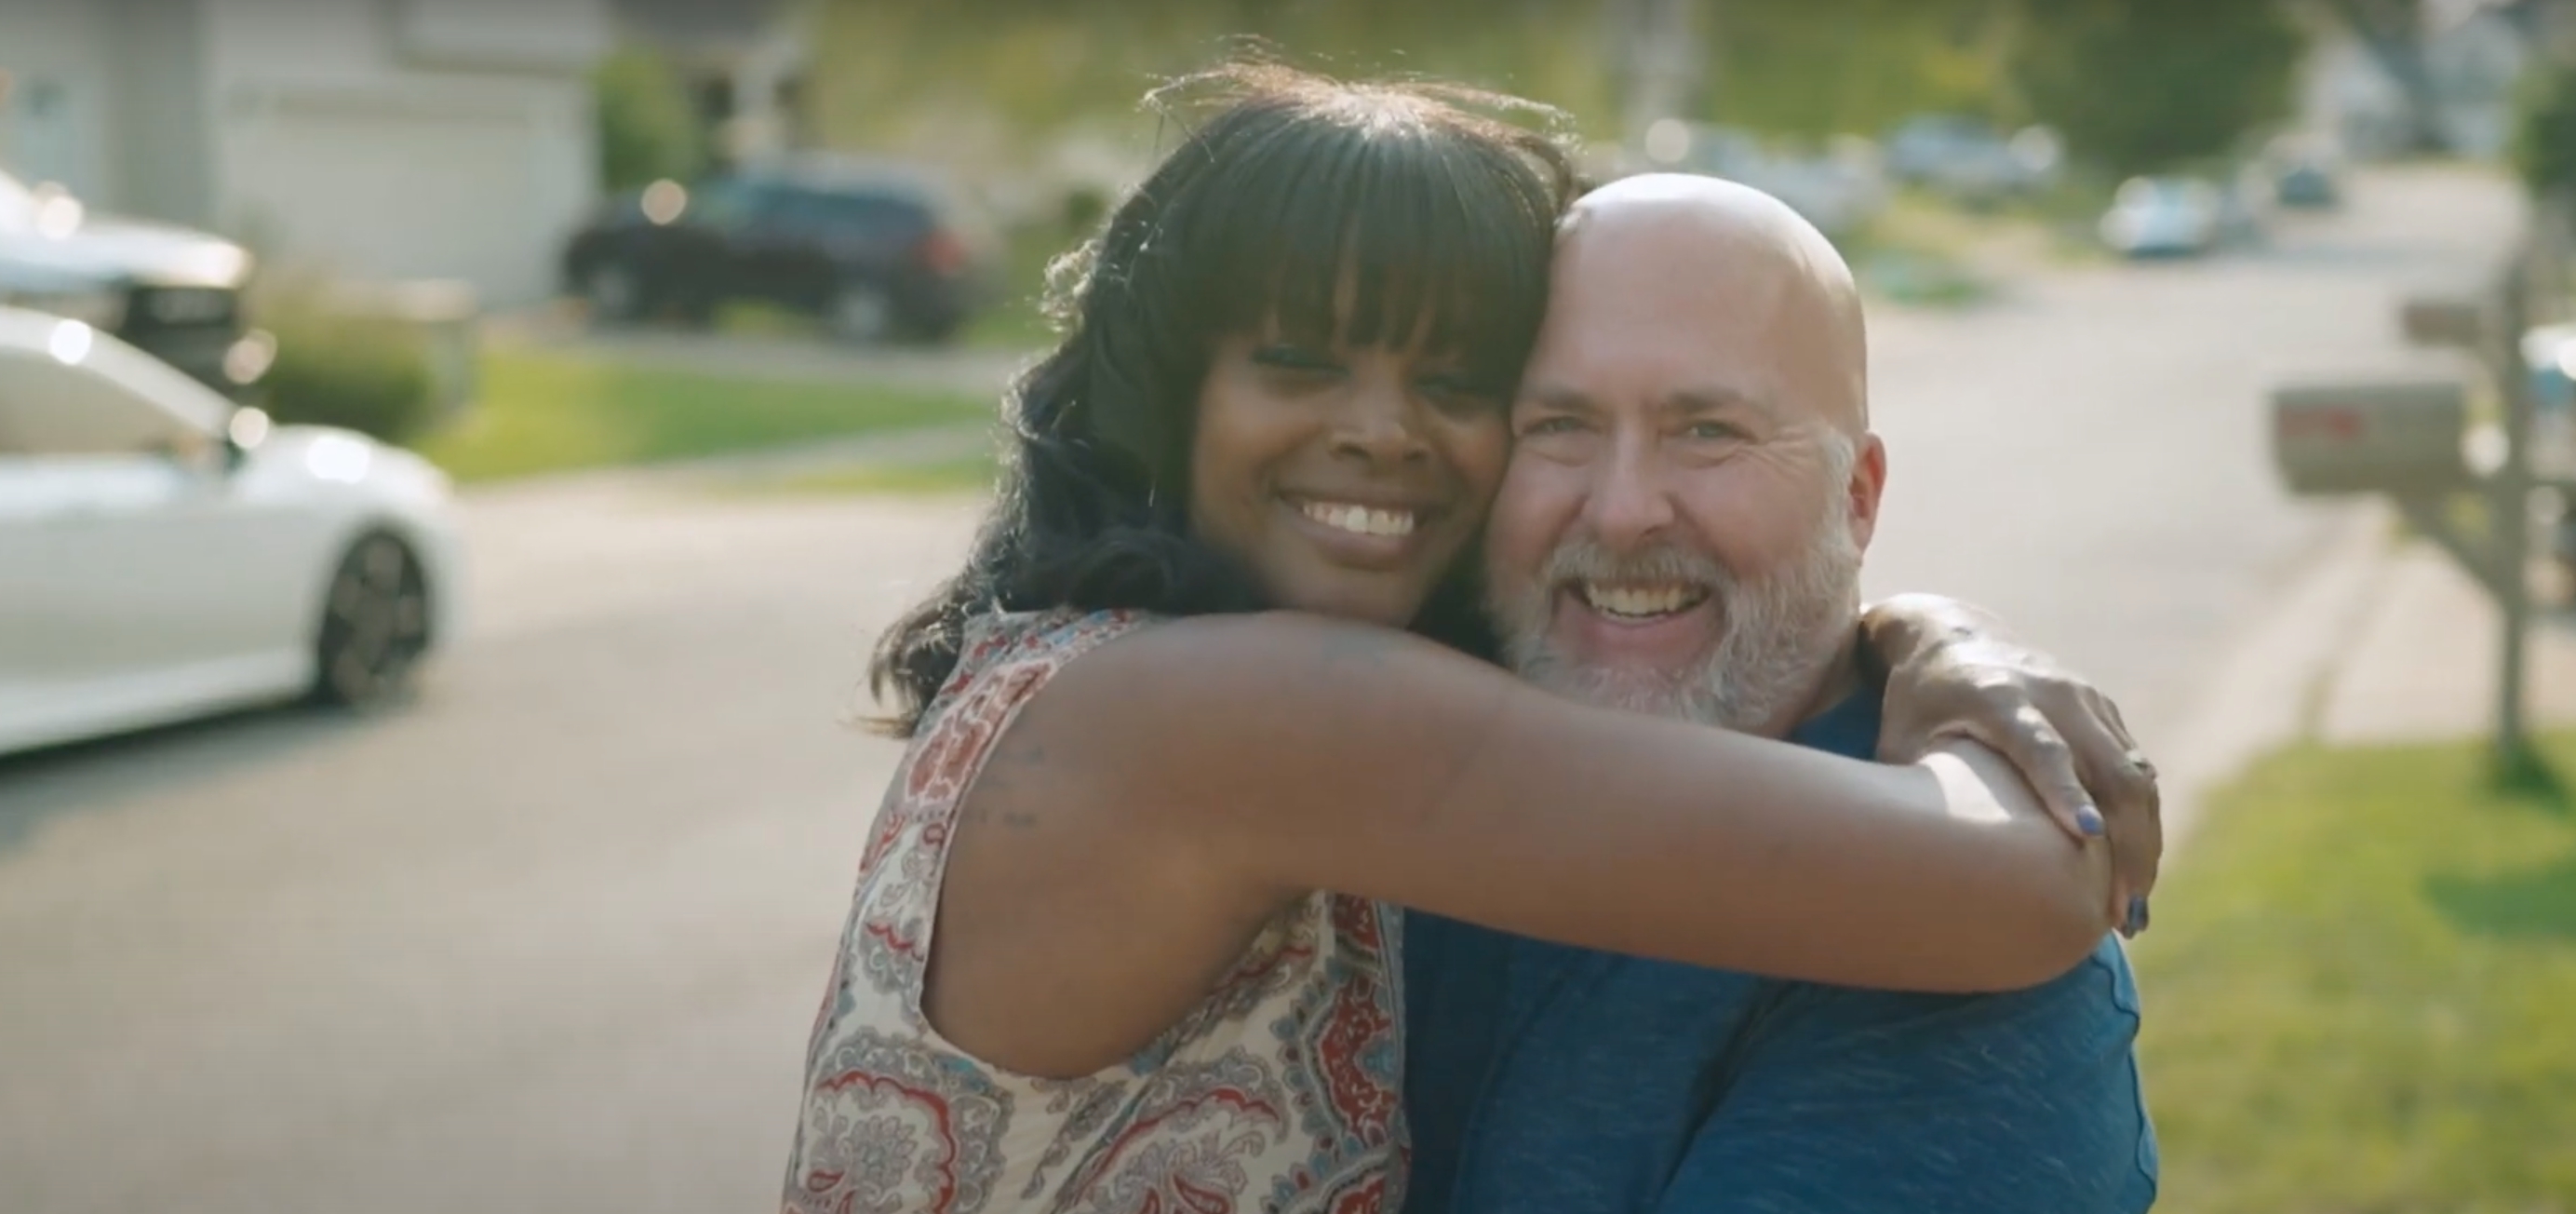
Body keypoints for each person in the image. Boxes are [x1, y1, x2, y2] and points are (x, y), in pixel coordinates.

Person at [781, 62, 2158, 1214]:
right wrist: (1966, 664)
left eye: (1453, 381)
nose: (1383, 430)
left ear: (1856, 491)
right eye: (1302, 363)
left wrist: (1918, 633)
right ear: (1169, 390)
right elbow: (2036, 879)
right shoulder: (1251, 719)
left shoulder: (1137, 678)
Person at [1402, 174, 2156, 1214]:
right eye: (1556, 425)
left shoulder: (1963, 965)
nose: (1622, 511)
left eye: (1706, 430)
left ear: (1857, 498)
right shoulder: (1381, 737)